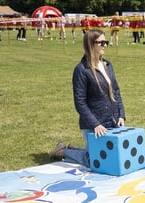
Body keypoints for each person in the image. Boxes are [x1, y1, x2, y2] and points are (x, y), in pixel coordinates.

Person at [49, 30, 126, 166]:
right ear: (91, 44)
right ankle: (63, 152)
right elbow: (80, 102)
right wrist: (95, 124)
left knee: (116, 157)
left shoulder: (108, 65)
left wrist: (121, 115)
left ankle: (78, 150)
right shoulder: (81, 70)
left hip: (112, 121)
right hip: (94, 125)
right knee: (97, 161)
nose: (105, 45)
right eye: (101, 42)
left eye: (105, 42)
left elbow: (116, 91)